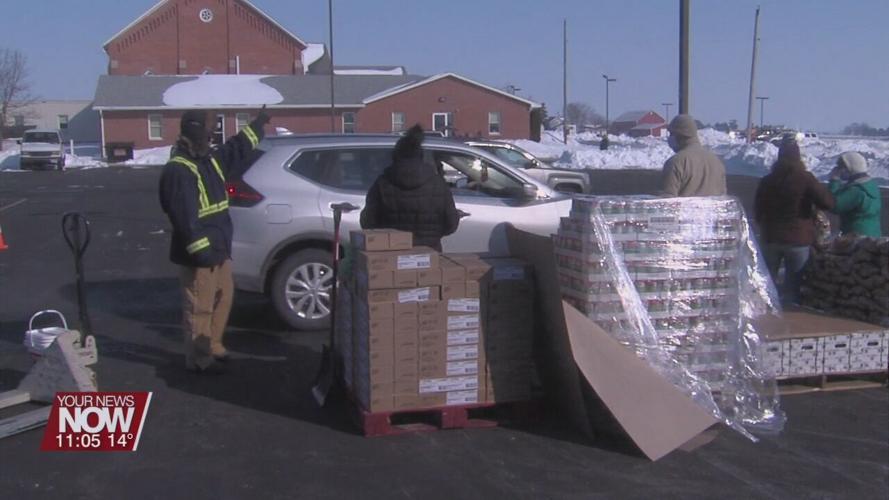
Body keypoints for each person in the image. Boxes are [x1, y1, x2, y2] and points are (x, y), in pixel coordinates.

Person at [159, 107, 270, 374]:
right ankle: (199, 360)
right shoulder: (180, 170)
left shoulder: (209, 161)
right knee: (200, 308)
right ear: (196, 133)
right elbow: (185, 220)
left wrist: (258, 126)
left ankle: (214, 345)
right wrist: (202, 254)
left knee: (224, 297)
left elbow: (235, 148)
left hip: (219, 250)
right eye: (208, 132)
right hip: (200, 255)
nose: (212, 137)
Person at [754, 136, 835, 304]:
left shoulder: (767, 180)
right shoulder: (805, 178)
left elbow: (758, 210)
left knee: (766, 283)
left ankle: (768, 314)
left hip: (771, 237)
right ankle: (791, 318)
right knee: (793, 285)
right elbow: (827, 202)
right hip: (798, 238)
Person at [360, 124, 460, 251]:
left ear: (395, 156)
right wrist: (432, 235)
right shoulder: (438, 184)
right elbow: (451, 224)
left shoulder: (382, 184)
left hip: (390, 253)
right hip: (429, 252)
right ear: (421, 156)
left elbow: (367, 223)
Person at [660, 114, 727, 197]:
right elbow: (722, 197)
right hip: (712, 210)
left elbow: (668, 201)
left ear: (679, 134)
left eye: (671, 134)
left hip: (685, 210)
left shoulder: (675, 162)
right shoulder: (717, 162)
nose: (670, 138)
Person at [828, 152, 883, 238]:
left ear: (851, 168)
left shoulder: (855, 191)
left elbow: (833, 204)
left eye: (842, 167)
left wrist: (834, 180)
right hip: (873, 234)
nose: (839, 170)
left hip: (857, 236)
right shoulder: (870, 185)